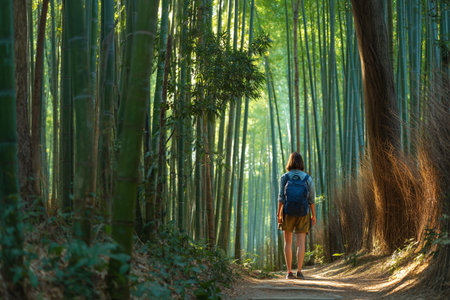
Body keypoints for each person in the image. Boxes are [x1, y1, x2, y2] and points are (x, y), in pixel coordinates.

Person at [277, 152, 316, 279]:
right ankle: (299, 271)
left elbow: (281, 198)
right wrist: (313, 215)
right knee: (301, 243)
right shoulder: (307, 178)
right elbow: (311, 199)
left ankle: (289, 272)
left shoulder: (284, 177)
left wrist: (279, 214)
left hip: (287, 212)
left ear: (290, 162)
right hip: (303, 212)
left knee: (287, 242)